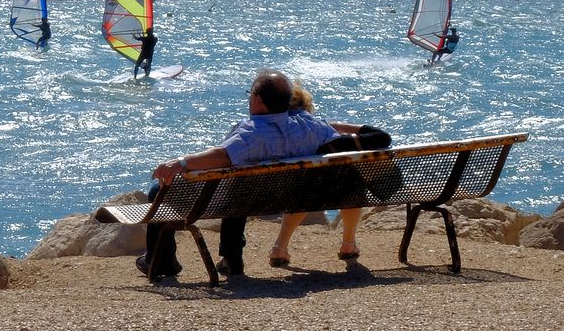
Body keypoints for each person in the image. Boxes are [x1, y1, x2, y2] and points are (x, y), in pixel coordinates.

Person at [136, 69, 391, 279]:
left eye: (250, 95)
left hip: (246, 199)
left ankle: (162, 263)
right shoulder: (312, 126)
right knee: (240, 187)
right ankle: (229, 258)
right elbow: (375, 138)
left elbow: (222, 156)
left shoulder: (251, 133)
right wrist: (330, 125)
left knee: (161, 191)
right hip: (291, 198)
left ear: (258, 100)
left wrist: (179, 163)